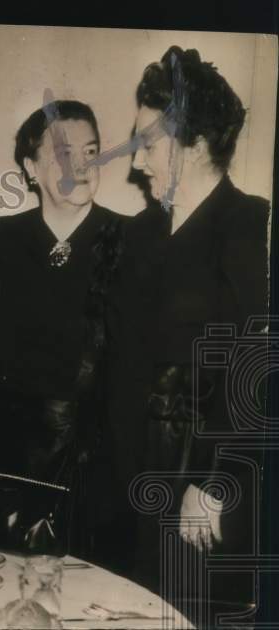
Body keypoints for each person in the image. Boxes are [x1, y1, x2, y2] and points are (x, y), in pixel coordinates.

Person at [107, 46, 268, 607]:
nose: (135, 162)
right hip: (133, 474)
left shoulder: (249, 224)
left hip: (201, 480)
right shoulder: (140, 233)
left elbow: (255, 371)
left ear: (196, 142)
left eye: (147, 143)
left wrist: (215, 483)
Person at [0, 100, 125, 557]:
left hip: (94, 461)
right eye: (64, 154)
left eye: (91, 151)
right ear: (30, 167)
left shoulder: (130, 238)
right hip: (11, 458)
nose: (81, 165)